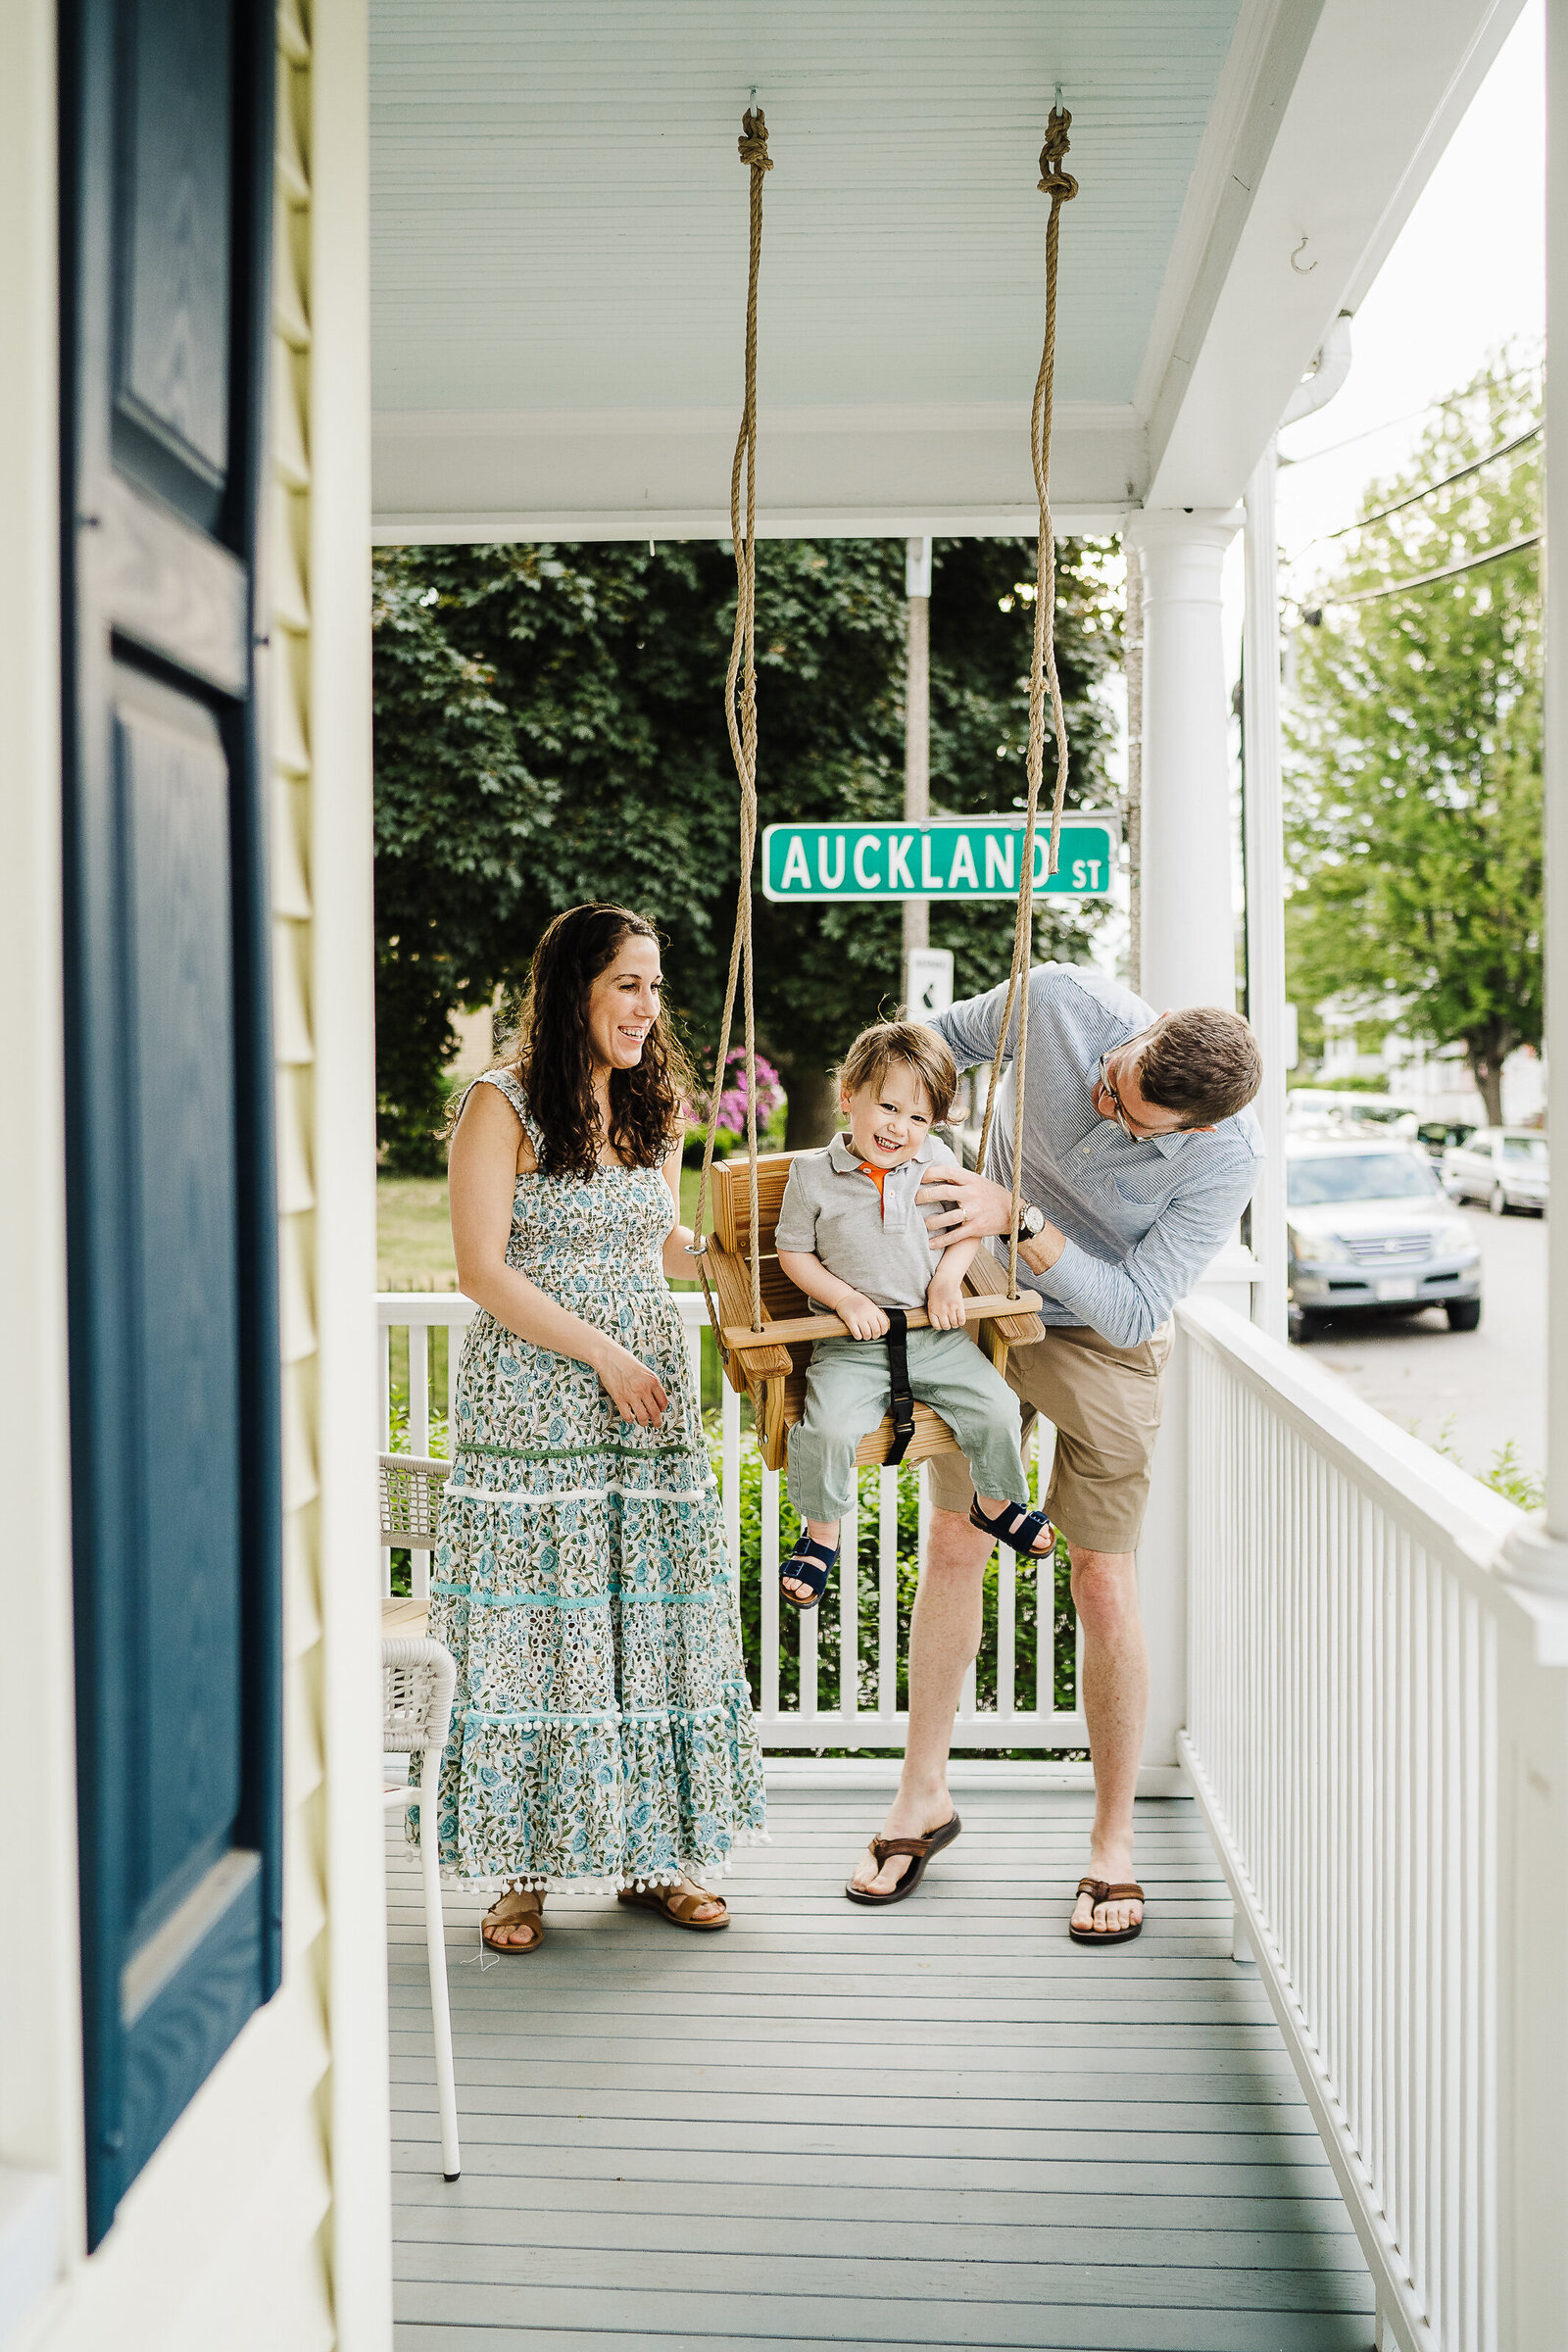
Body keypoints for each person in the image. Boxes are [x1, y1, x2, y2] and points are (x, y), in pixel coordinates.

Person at [847, 964, 1263, 1944]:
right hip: (977, 1296)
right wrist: (900, 1132)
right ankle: (922, 1800)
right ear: (1144, 1028)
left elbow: (1130, 1309)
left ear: (1190, 1132)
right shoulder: (1060, 1001)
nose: (1102, 1103)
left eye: (1129, 1118)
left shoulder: (1222, 1159)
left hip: (1095, 1339)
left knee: (1101, 1580)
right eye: (1113, 1078)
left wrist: (1019, 1219)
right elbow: (926, 1051)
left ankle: (1111, 1845)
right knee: (955, 1544)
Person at [424, 903, 766, 1955]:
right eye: (628, 984)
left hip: (643, 1407)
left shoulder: (649, 1104)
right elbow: (481, 1268)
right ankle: (521, 1876)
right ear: (575, 987)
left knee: (646, 1620)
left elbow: (652, 1236)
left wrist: (730, 1255)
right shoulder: (503, 1101)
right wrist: (602, 1353)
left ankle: (660, 1859)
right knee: (541, 1626)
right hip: (537, 1404)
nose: (646, 1007)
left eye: (656, 987)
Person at [773, 1019, 1055, 1625]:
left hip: (933, 1334)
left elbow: (967, 1231)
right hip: (847, 1340)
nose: (900, 1128)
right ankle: (822, 1534)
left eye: (919, 1118)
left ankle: (994, 1502)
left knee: (998, 1409)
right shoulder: (812, 1175)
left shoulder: (937, 1163)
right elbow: (794, 1253)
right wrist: (845, 1300)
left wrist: (949, 1278)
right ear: (848, 1095)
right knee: (825, 1431)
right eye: (888, 1106)